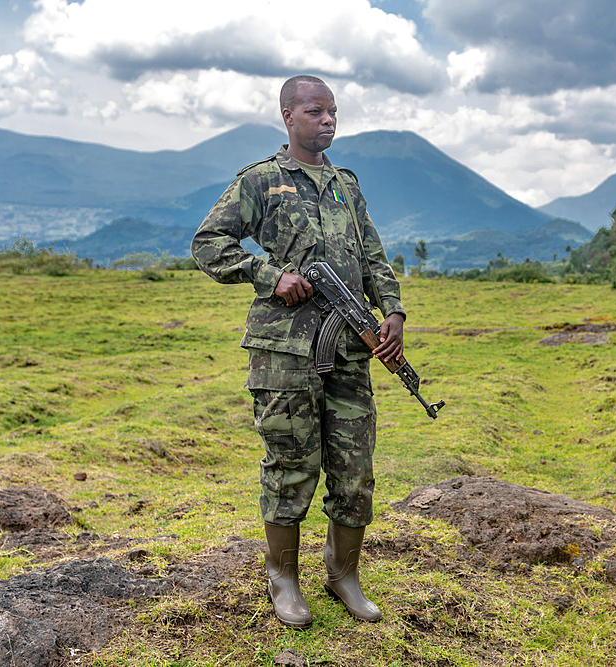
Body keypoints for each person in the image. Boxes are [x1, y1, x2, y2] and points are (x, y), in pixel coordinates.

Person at [190, 75, 405, 629]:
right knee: (289, 466)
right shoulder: (262, 181)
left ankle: (344, 575)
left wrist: (394, 312)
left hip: (350, 354)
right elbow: (208, 244)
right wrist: (269, 274)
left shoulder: (345, 184)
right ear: (288, 116)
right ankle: (283, 579)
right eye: (315, 111)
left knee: (355, 470)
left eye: (333, 111)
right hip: (283, 353)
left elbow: (373, 256)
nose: (328, 120)